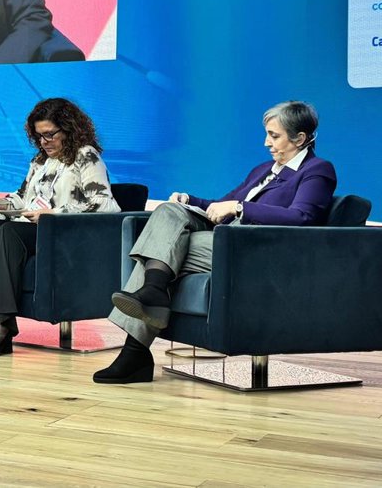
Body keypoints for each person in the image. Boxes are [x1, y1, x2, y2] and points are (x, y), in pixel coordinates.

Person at [93, 101, 337, 384]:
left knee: (163, 252)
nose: (266, 142)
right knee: (169, 212)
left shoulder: (317, 170)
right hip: (223, 238)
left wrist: (241, 208)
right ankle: (152, 294)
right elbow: (222, 204)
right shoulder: (264, 169)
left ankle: (137, 346)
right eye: (267, 134)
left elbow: (302, 217)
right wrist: (189, 200)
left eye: (274, 136)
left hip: (255, 248)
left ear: (300, 138)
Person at [0, 98, 118, 358]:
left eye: (50, 134)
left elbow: (105, 204)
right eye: (39, 136)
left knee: (8, 233)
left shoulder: (86, 155)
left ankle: (0, 324)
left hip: (65, 234)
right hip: (33, 229)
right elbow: (23, 199)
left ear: (69, 129)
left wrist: (53, 213)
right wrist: (0, 204)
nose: (44, 142)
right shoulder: (39, 161)